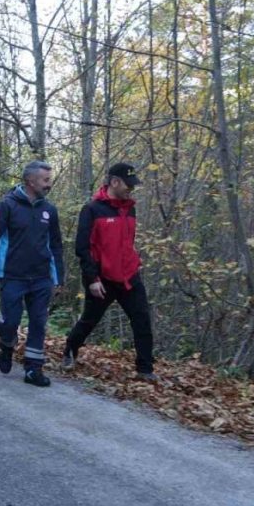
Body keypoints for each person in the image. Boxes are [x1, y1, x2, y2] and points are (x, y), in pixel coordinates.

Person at [62, 163, 157, 382]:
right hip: (102, 279)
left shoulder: (130, 209)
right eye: (128, 184)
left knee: (142, 319)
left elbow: (127, 242)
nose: (130, 189)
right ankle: (70, 349)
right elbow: (82, 248)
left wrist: (132, 264)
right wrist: (92, 279)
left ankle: (145, 369)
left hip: (129, 277)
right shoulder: (92, 209)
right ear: (114, 182)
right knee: (89, 320)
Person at [0, 161, 65, 387]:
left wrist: (59, 278)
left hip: (41, 278)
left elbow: (56, 245)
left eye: (49, 179)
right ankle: (7, 344)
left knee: (38, 321)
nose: (49, 184)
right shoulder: (7, 206)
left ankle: (32, 369)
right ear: (30, 181)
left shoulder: (50, 210)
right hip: (12, 277)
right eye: (45, 180)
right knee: (11, 322)